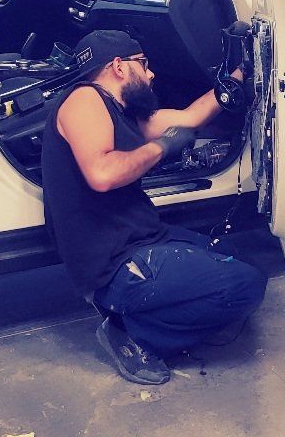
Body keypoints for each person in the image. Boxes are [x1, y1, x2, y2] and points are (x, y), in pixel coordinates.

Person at [40, 29, 267, 385]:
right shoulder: (84, 100)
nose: (150, 74)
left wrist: (242, 73)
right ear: (118, 66)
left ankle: (147, 311)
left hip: (141, 238)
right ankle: (133, 334)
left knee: (233, 254)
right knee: (244, 286)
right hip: (113, 262)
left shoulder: (123, 111)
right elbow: (102, 174)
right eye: (143, 65)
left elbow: (190, 117)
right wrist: (161, 146)